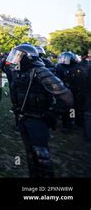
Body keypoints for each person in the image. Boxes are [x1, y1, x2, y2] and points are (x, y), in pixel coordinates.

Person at [7, 44, 73, 177]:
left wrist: (53, 113)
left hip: (38, 119)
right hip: (23, 117)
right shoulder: (18, 72)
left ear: (28, 58)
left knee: (41, 154)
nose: (15, 59)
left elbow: (66, 97)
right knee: (30, 153)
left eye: (19, 56)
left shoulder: (41, 71)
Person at [55, 51, 81, 133]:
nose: (64, 60)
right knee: (64, 109)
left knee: (71, 109)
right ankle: (66, 124)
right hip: (63, 90)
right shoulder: (59, 67)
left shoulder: (76, 67)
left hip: (73, 90)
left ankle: (70, 123)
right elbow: (57, 78)